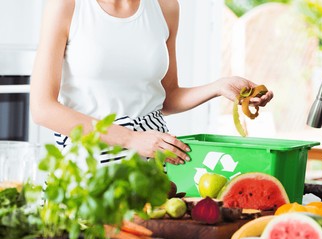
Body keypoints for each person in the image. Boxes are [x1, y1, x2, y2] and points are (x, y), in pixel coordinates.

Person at [30, 0, 273, 165]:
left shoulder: (164, 7)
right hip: (87, 167)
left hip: (152, 165)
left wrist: (218, 87)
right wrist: (131, 139)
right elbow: (43, 109)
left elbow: (167, 97)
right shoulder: (68, 5)